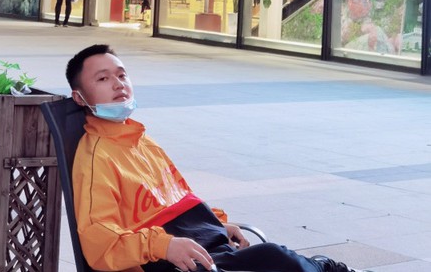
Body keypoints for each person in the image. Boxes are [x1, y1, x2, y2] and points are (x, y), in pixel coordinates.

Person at [66, 44, 359, 272]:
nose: (118, 84)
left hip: (204, 251)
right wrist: (163, 246)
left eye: (121, 75)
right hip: (170, 263)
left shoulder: (142, 141)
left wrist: (216, 224)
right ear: (80, 97)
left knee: (276, 257)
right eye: (103, 78)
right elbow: (99, 243)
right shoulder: (97, 158)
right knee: (277, 259)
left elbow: (180, 200)